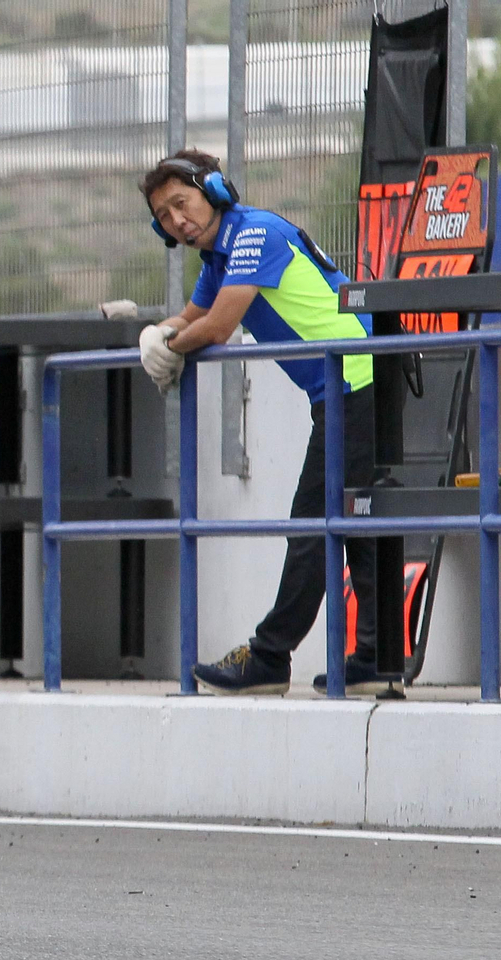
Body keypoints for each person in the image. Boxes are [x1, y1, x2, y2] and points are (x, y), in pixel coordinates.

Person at [136, 149, 397, 696]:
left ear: (214, 190)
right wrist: (156, 336)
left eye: (181, 204)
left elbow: (218, 325)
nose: (177, 221)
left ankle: (270, 657)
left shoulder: (250, 233)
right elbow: (190, 318)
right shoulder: (218, 259)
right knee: (354, 523)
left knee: (313, 525)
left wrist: (170, 349)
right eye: (164, 216)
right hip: (349, 380)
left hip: (354, 375)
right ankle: (377, 657)